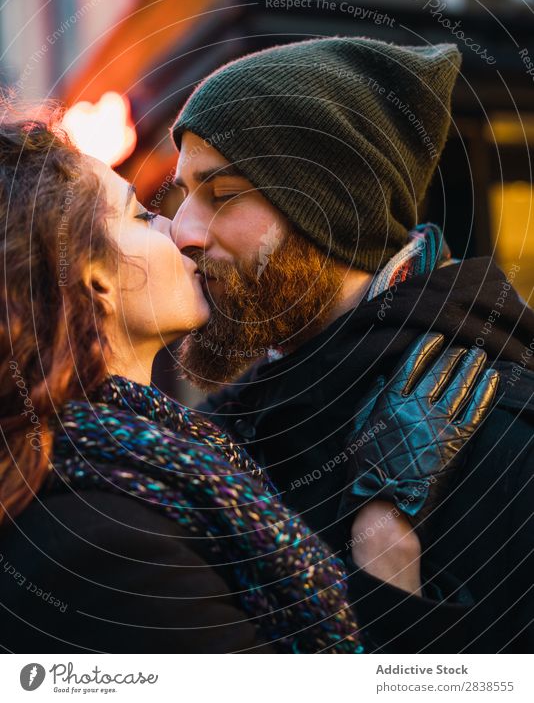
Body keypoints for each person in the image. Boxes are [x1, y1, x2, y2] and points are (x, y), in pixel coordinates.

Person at [0, 103, 496, 654]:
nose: (180, 230)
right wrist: (386, 556)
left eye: (222, 194)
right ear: (92, 278)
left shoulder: (155, 458)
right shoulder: (101, 541)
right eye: (141, 216)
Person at [170, 35, 534, 652]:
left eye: (224, 194)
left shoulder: (503, 423)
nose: (182, 232)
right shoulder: (229, 430)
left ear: (333, 208)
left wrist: (386, 573)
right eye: (183, 195)